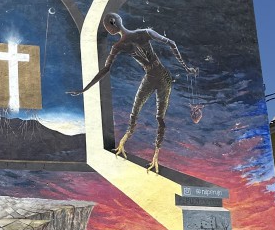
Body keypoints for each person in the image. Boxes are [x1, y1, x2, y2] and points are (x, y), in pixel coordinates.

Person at [68, 12, 197, 172]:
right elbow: (171, 43)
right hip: (156, 75)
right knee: (153, 117)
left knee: (147, 116)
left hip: (159, 76)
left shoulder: (122, 44)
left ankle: (150, 155)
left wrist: (84, 89)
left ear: (112, 25)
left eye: (106, 25)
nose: (107, 28)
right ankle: (131, 147)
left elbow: (105, 70)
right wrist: (186, 68)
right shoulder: (143, 33)